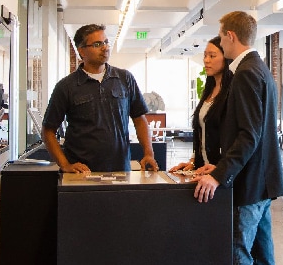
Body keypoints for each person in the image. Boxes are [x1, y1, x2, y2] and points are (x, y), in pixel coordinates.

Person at [193, 11, 283, 265]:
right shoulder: (259, 68)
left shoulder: (245, 73)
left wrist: (219, 175)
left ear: (230, 36)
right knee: (262, 257)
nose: (220, 44)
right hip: (263, 183)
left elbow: (249, 135)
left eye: (221, 38)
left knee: (237, 256)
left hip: (249, 184)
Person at [41, 24, 158, 173]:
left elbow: (139, 119)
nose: (105, 48)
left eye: (106, 42)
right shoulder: (66, 86)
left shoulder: (124, 79)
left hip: (120, 170)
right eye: (97, 44)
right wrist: (65, 165)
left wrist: (148, 154)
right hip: (81, 174)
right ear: (81, 51)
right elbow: (48, 130)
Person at [169, 36, 233, 174]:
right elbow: (203, 133)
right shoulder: (209, 90)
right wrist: (193, 161)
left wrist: (221, 170)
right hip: (203, 169)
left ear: (226, 58)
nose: (206, 60)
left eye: (212, 56)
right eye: (205, 55)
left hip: (222, 171)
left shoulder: (232, 91)